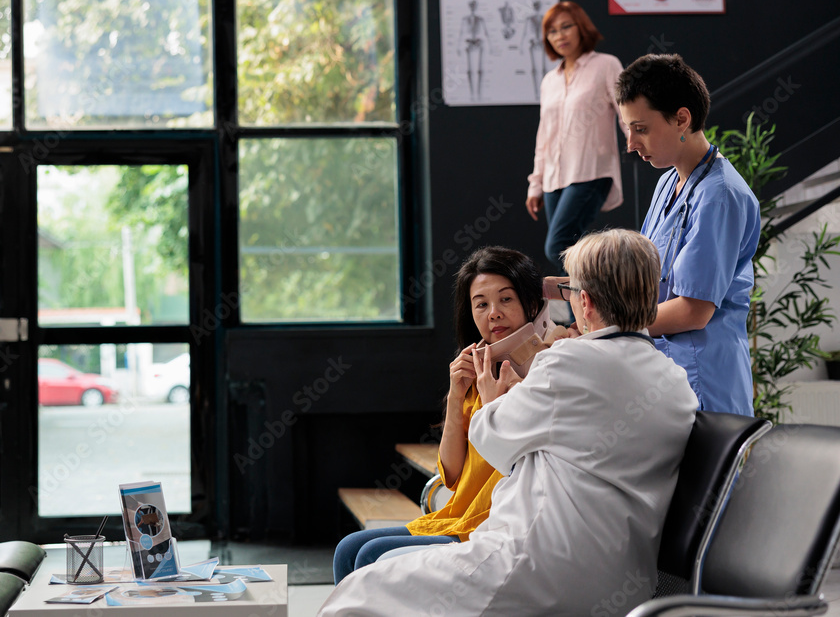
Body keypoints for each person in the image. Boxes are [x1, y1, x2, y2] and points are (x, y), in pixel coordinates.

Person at [319, 229, 698, 616]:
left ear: (584, 301)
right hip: (625, 578)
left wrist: (492, 400)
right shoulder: (675, 381)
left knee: (361, 590)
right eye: (480, 304)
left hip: (538, 564)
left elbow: (494, 442)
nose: (493, 313)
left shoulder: (566, 362)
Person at [332, 246, 545, 584]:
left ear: (532, 304)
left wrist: (499, 402)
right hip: (456, 514)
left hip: (490, 525)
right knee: (348, 548)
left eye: (506, 299)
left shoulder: (544, 372)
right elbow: (451, 473)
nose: (494, 313)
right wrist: (457, 393)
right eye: (481, 304)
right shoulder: (477, 369)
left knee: (370, 555)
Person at [616, 54, 760, 415]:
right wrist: (581, 287)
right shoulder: (668, 182)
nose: (631, 143)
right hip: (665, 373)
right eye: (627, 130)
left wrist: (609, 324)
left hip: (705, 380)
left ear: (682, 118)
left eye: (641, 129)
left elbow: (694, 311)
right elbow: (645, 273)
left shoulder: (720, 195)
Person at [526, 1, 626, 278]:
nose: (560, 35)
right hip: (554, 179)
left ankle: (599, 302)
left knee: (557, 247)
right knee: (570, 249)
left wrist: (637, 138)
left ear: (581, 27)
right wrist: (535, 184)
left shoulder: (606, 65)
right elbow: (544, 136)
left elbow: (625, 109)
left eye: (566, 26)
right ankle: (580, 320)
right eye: (552, 31)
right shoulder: (549, 81)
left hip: (590, 172)